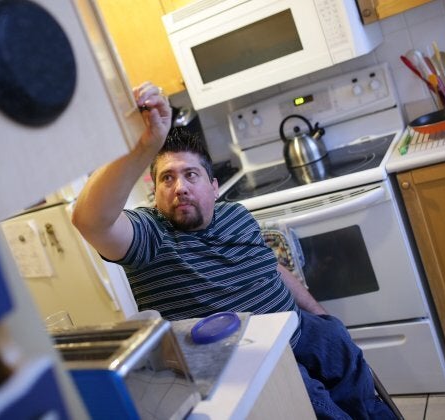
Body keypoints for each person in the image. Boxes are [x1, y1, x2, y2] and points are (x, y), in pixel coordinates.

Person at [72, 82, 395, 419]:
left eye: (191, 175)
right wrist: (143, 145)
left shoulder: (236, 214)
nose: (180, 187)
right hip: (244, 362)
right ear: (155, 192)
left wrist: (319, 314)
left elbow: (271, 267)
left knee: (344, 353)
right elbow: (89, 221)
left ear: (213, 187)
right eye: (167, 178)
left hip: (299, 328)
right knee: (316, 403)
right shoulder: (149, 235)